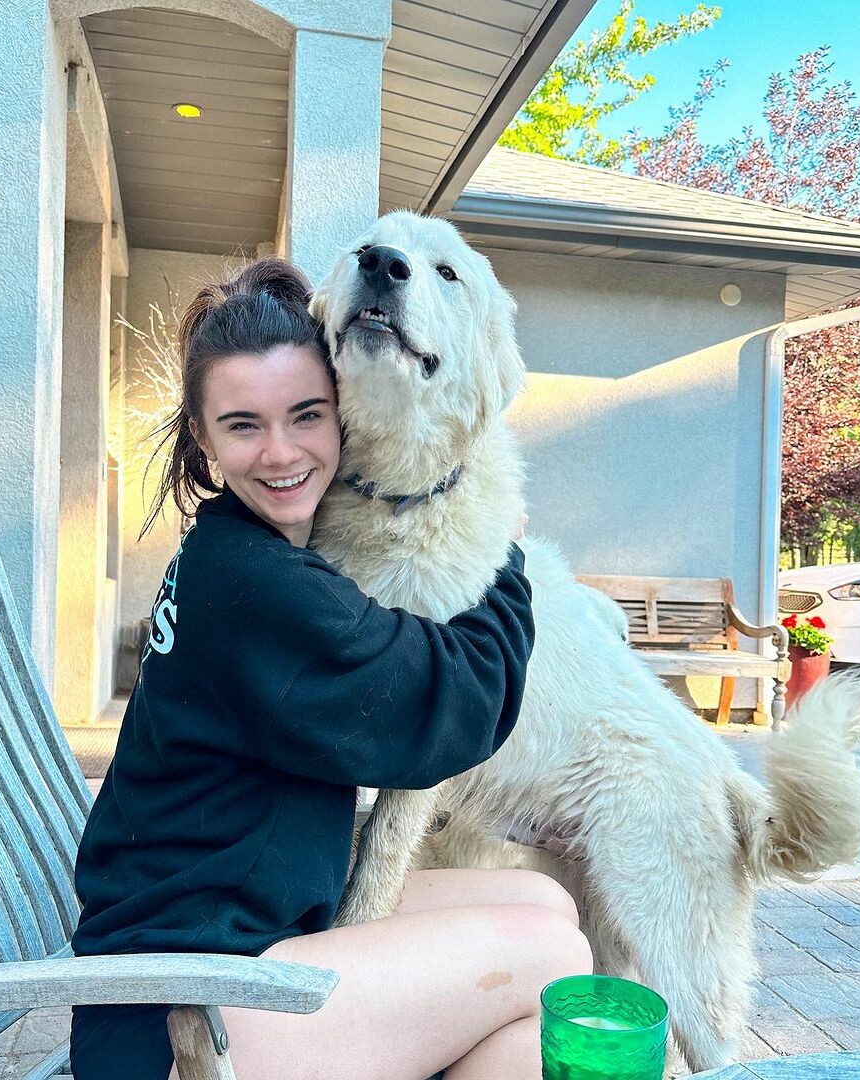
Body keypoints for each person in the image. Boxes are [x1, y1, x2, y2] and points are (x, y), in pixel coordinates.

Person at [69, 257, 593, 1080]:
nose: (281, 453)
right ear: (203, 438)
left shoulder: (235, 551)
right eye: (244, 425)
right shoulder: (257, 585)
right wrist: (501, 550)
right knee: (548, 952)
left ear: (342, 410)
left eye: (306, 415)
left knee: (545, 903)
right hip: (178, 1008)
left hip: (251, 927)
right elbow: (451, 702)